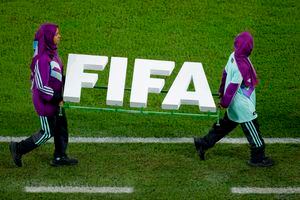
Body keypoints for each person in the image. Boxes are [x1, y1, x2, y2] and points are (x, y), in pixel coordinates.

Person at [194, 32, 274, 167]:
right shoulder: (242, 65)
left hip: (235, 103)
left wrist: (221, 91)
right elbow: (233, 87)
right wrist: (225, 102)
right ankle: (258, 158)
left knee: (224, 126)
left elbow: (225, 74)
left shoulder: (234, 57)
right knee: (253, 130)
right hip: (242, 105)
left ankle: (203, 143)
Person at [9, 23, 78, 167]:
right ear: (48, 37)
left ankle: (60, 156)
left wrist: (68, 84)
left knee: (61, 127)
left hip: (57, 99)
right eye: (56, 34)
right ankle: (19, 148)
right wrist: (57, 97)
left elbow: (57, 74)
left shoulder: (54, 53)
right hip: (46, 102)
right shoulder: (42, 59)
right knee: (47, 132)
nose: (59, 36)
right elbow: (41, 87)